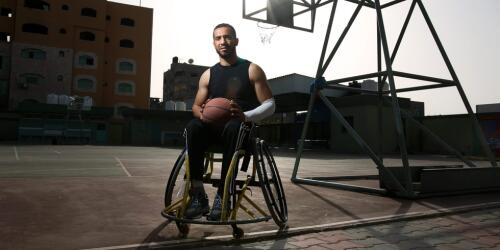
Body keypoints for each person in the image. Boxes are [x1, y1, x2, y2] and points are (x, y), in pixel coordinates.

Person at [184, 23, 276, 220]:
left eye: (227, 37)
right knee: (193, 127)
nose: (223, 42)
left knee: (234, 126)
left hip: (240, 129)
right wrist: (202, 114)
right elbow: (195, 106)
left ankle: (224, 195)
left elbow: (270, 104)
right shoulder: (208, 74)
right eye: (218, 38)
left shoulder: (252, 69)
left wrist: (246, 116)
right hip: (213, 130)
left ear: (236, 41)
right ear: (214, 43)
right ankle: (198, 194)